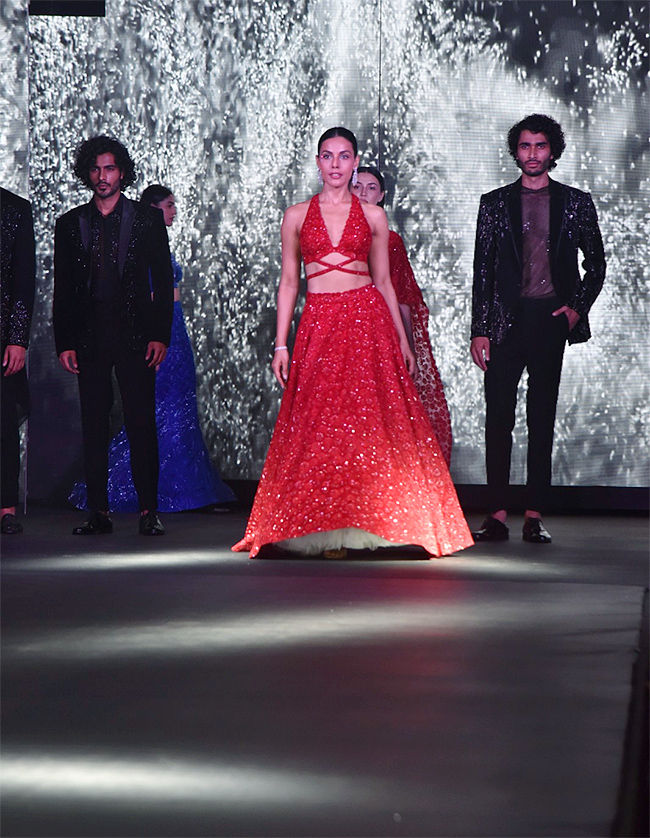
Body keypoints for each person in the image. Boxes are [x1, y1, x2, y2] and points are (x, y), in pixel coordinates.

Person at [233, 127, 473, 559]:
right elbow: (288, 282)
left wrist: (403, 342)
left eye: (344, 156)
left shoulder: (374, 216)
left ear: (356, 162)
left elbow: (384, 281)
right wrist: (280, 344)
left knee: (371, 422)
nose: (336, 164)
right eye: (328, 156)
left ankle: (376, 523)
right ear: (318, 161)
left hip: (367, 322)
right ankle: (321, 522)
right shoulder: (295, 215)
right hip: (319, 322)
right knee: (319, 424)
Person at [470, 114, 605, 543]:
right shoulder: (494, 203)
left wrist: (575, 310)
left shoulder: (575, 202)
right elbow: (482, 271)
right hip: (504, 323)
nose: (532, 153)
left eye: (540, 145)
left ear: (552, 151)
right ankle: (496, 513)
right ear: (516, 151)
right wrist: (479, 329)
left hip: (549, 320)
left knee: (542, 417)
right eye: (525, 146)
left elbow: (596, 264)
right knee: (498, 418)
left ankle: (533, 514)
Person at [68, 185, 235, 512]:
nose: (174, 211)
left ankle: (188, 486)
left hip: (175, 326)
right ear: (154, 208)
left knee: (180, 406)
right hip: (158, 326)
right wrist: (152, 332)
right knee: (158, 407)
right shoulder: (141, 240)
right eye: (169, 205)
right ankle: (142, 488)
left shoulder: (156, 238)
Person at [54, 137, 174, 536]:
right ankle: (98, 512)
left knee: (141, 421)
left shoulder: (146, 219)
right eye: (95, 169)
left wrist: (160, 335)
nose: (102, 176)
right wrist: (64, 341)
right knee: (93, 424)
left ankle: (148, 511)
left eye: (109, 168)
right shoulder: (70, 223)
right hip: (89, 336)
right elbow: (63, 288)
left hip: (136, 335)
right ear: (86, 173)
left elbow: (162, 281)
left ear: (122, 172)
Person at [351, 166, 453, 465]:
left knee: (384, 408)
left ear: (382, 196)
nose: (364, 193)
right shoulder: (332, 234)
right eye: (358, 186)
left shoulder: (390, 242)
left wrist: (409, 346)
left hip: (380, 334)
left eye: (371, 188)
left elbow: (402, 298)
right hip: (342, 329)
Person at [1, 188, 36, 535]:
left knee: (3, 422)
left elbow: (23, 281)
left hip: (2, 338)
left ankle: (5, 508)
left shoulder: (14, 208)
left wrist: (17, 339)